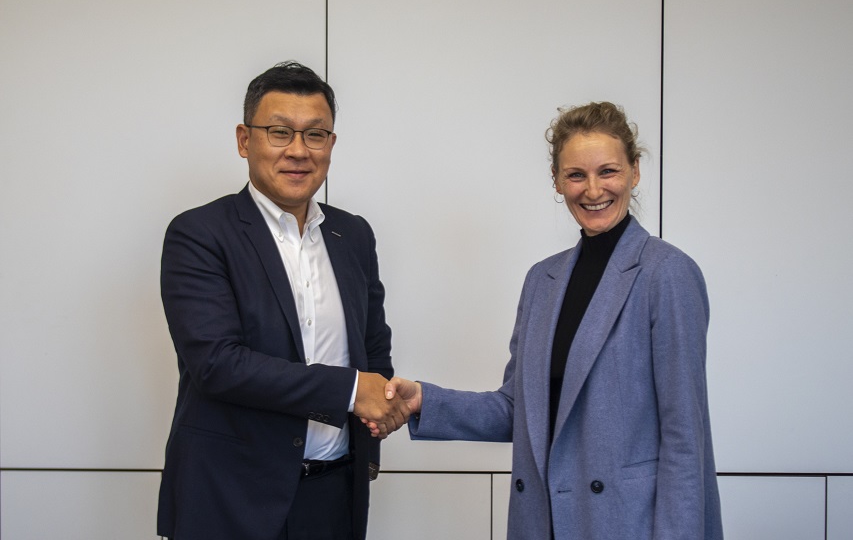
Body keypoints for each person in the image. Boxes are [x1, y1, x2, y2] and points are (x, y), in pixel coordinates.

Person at [372, 102, 723, 539]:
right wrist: (423, 399)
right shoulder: (543, 280)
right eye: (576, 175)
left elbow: (685, 440)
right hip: (542, 521)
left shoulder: (666, 273)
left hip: (625, 524)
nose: (593, 189)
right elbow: (517, 410)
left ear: (635, 172)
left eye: (608, 171)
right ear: (557, 182)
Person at [157, 61, 409, 540]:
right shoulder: (199, 234)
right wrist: (354, 392)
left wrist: (381, 415)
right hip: (230, 497)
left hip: (333, 496)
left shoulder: (352, 234)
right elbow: (217, 364)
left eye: (315, 135)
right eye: (279, 132)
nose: (298, 151)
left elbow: (374, 347)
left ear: (331, 145)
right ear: (244, 140)